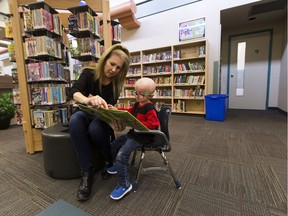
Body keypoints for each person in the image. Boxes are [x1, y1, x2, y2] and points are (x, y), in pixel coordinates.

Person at [68, 44, 131, 202]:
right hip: (84, 111)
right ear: (105, 60)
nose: (114, 70)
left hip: (100, 117)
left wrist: (114, 120)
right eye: (112, 64)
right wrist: (88, 99)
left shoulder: (116, 84)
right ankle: (86, 171)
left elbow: (108, 109)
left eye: (118, 67)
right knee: (75, 120)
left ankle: (108, 159)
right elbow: (74, 91)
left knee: (96, 128)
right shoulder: (89, 73)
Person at [107, 77, 160, 200]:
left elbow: (154, 125)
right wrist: (116, 110)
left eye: (140, 94)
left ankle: (124, 184)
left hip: (143, 137)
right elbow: (128, 112)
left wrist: (138, 123)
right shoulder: (137, 104)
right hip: (134, 134)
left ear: (150, 95)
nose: (136, 96)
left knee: (122, 154)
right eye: (135, 92)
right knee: (115, 144)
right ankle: (118, 166)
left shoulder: (150, 108)